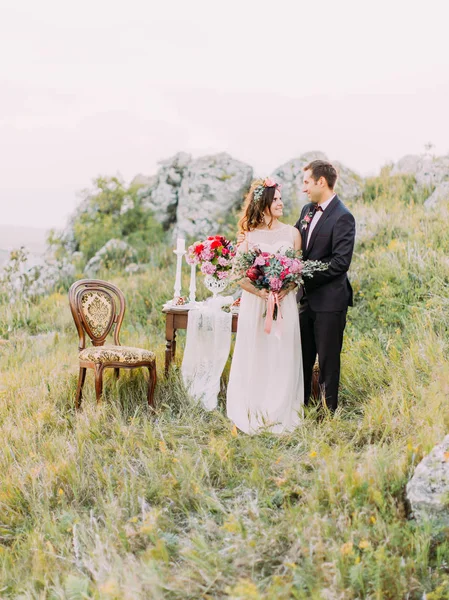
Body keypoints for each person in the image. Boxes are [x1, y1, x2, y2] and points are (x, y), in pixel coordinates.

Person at [226, 178, 304, 434]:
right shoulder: (248, 235)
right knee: (257, 353)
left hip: (284, 304)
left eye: (282, 198)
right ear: (264, 203)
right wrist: (262, 292)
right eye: (276, 199)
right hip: (256, 305)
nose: (281, 203)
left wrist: (284, 289)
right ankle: (254, 408)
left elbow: (297, 272)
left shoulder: (293, 233)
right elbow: (238, 275)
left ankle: (281, 410)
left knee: (282, 354)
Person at [295, 160, 356, 412]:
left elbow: (340, 262)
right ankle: (302, 408)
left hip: (331, 302)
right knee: (303, 358)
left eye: (307, 182)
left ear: (322, 182)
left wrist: (303, 274)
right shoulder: (307, 211)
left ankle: (328, 414)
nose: (304, 188)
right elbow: (295, 245)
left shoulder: (343, 216)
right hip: (306, 301)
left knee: (329, 362)